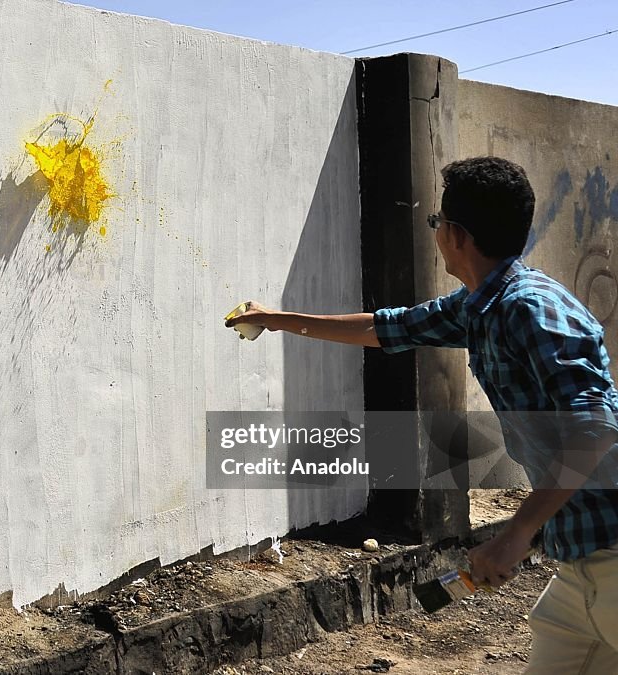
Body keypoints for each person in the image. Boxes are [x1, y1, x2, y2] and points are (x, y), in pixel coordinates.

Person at [225, 156, 618, 674]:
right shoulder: (479, 307)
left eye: (437, 222)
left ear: (456, 234)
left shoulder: (530, 309)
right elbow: (386, 329)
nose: (436, 232)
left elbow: (594, 428)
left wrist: (518, 532)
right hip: (582, 561)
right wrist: (276, 320)